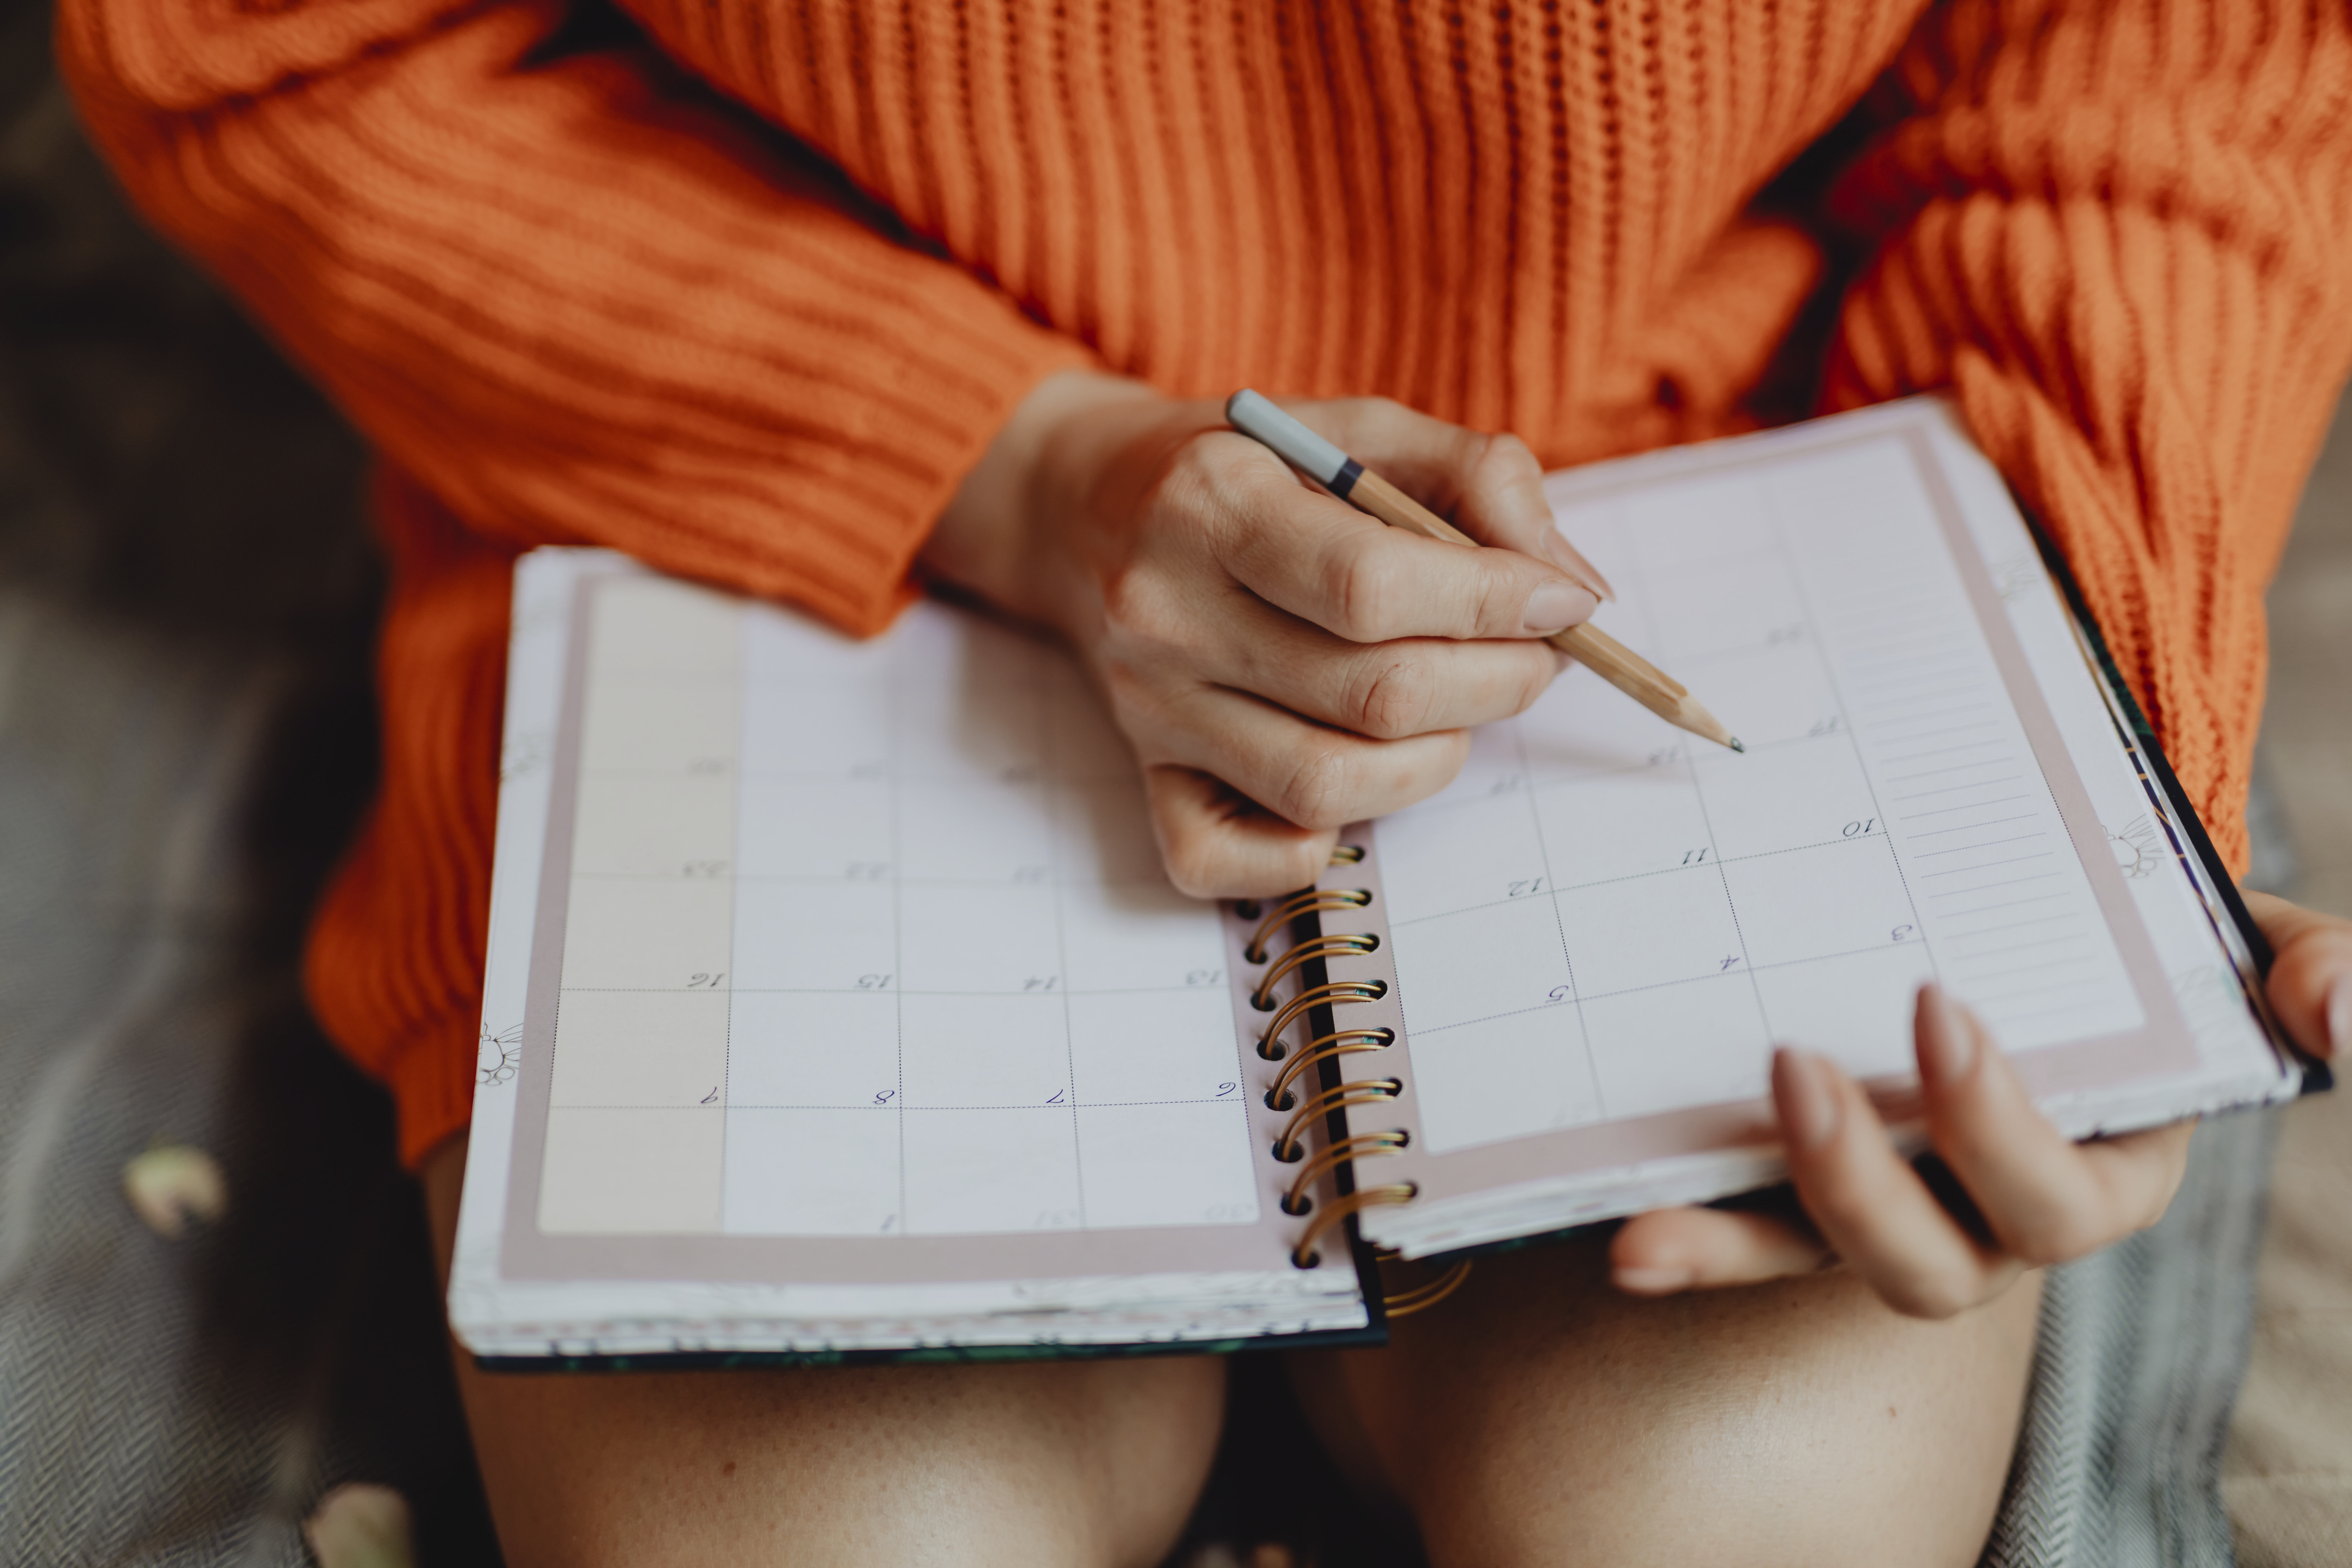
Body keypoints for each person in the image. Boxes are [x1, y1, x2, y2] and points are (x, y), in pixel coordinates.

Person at [58, 0, 2352, 1560]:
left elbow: (2166, 78)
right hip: (749, 495)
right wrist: (1019, 465)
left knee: (1744, 1518)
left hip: (1713, 485)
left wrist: (2073, 753)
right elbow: (288, 50)